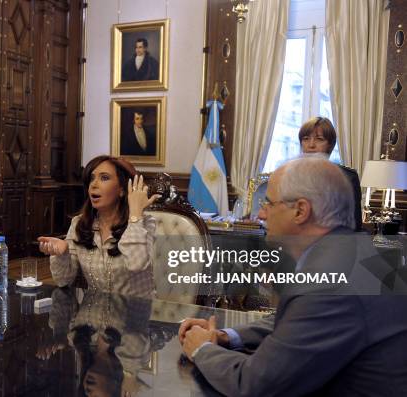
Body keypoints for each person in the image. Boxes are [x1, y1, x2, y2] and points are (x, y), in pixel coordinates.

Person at [179, 157, 407, 396]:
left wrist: (202, 348)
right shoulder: (357, 251)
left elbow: (252, 385)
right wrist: (227, 336)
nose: (261, 214)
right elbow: (300, 320)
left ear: (300, 210)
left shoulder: (328, 284)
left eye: (268, 203)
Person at [38, 155, 160, 298]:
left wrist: (135, 215)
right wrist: (62, 254)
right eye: (92, 178)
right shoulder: (80, 224)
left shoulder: (145, 223)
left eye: (104, 178)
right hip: (93, 316)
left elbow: (136, 264)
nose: (94, 185)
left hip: (135, 316)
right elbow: (63, 281)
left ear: (122, 189)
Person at [299, 116, 363, 230]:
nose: (311, 144)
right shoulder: (289, 175)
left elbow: (355, 225)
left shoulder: (347, 177)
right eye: (306, 138)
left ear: (330, 144)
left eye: (319, 139)